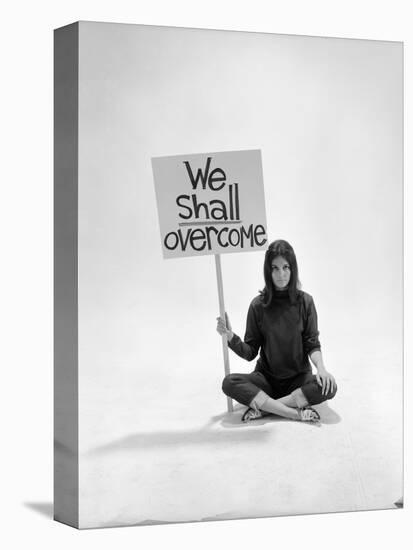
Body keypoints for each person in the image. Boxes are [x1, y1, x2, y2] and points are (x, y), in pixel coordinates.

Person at [217, 239, 337, 423]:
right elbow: (250, 352)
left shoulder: (306, 302)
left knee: (330, 386)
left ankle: (266, 409)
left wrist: (321, 369)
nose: (281, 274)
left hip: (299, 380)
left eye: (286, 267)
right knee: (229, 383)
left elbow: (312, 343)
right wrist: (230, 337)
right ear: (268, 271)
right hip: (266, 381)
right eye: (275, 268)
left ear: (293, 268)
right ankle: (294, 412)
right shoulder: (258, 305)